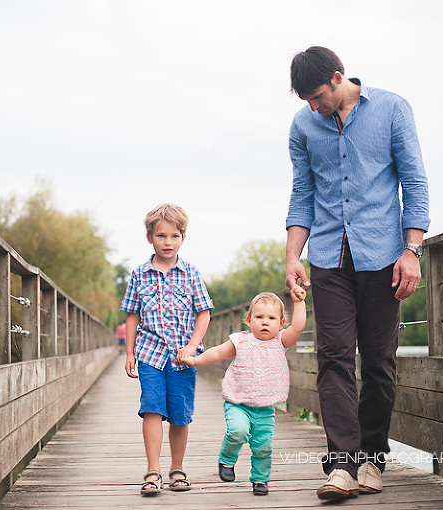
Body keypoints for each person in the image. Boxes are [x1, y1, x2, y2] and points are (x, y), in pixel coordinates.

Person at [284, 46, 430, 501]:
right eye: (304, 99)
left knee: (381, 362)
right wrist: (293, 256)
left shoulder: (391, 108)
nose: (312, 106)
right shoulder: (303, 126)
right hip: (328, 256)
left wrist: (412, 250)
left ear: (337, 76)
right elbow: (302, 194)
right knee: (332, 357)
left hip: (384, 256)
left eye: (316, 96)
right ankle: (342, 465)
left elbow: (415, 182)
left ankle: (372, 458)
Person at [120, 203, 214, 496]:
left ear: (183, 238)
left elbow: (204, 312)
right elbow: (132, 314)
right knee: (151, 409)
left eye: (174, 236)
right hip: (149, 354)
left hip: (183, 358)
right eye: (161, 236)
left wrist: (193, 346)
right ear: (150, 238)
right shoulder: (139, 274)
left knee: (180, 415)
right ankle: (152, 470)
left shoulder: (191, 273)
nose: (168, 242)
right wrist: (130, 352)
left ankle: (177, 468)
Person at [178, 289, 307, 496]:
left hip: (265, 407)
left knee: (263, 446)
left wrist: (299, 302)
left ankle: (260, 479)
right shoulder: (240, 340)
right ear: (248, 320)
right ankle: (227, 460)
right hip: (237, 402)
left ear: (281, 324)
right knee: (238, 431)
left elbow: (299, 327)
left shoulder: (280, 342)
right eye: (259, 317)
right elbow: (217, 352)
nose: (265, 322)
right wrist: (194, 361)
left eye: (271, 318)